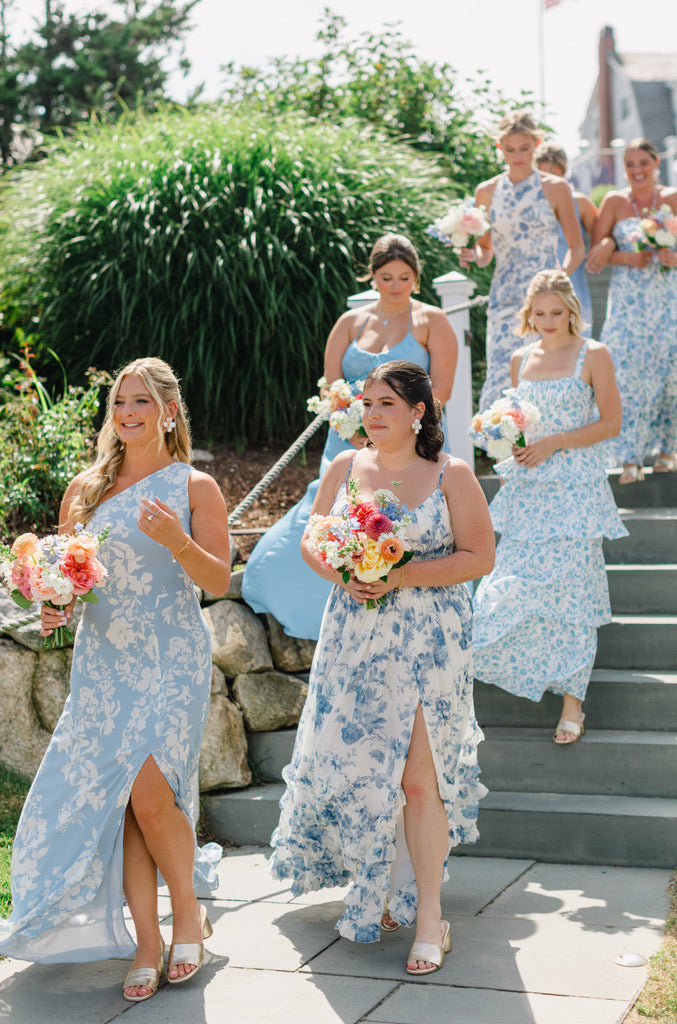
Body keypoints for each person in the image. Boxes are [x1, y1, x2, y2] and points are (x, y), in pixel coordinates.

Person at [0, 358, 231, 1002]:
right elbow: (71, 580)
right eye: (120, 403)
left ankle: (185, 919)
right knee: (128, 805)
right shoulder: (86, 489)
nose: (127, 413)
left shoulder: (194, 487)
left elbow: (216, 582)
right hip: (103, 661)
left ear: (168, 411)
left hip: (170, 656)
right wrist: (53, 603)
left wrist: (176, 540)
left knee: (153, 796)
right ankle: (148, 941)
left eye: (141, 402)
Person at [269, 360, 495, 976]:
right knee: (364, 773)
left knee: (419, 781)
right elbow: (314, 538)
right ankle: (377, 887)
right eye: (367, 403)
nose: (371, 414)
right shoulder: (345, 468)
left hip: (430, 644)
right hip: (355, 638)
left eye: (386, 403)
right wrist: (345, 570)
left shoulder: (452, 475)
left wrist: (396, 574)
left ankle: (429, 918)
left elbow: (480, 556)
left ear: (418, 412)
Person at [241, 233, 458, 639]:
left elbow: (440, 391)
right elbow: (331, 388)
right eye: (387, 276)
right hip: (346, 443)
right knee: (324, 523)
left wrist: (392, 434)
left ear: (417, 277)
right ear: (372, 277)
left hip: (409, 442)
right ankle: (318, 608)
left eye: (405, 277)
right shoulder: (349, 322)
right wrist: (354, 428)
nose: (396, 285)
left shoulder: (433, 322)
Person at [472, 270, 626, 744]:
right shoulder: (520, 359)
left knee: (575, 596)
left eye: (556, 312)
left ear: (571, 311)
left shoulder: (593, 353)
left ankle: (573, 704)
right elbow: (516, 422)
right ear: (528, 314)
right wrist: (512, 443)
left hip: (577, 490)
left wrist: (556, 442)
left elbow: (612, 423)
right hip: (528, 491)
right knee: (507, 586)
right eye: (539, 314)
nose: (547, 321)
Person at [459, 112, 585, 411]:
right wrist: (472, 255)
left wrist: (559, 281)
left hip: (549, 302)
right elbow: (486, 250)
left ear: (536, 144)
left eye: (524, 148)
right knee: (501, 381)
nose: (517, 156)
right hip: (505, 298)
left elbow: (577, 248)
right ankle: (506, 453)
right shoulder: (486, 192)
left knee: (549, 379)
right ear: (499, 148)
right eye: (510, 149)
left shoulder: (556, 188)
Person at [586, 138, 677, 484]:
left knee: (669, 375)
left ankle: (667, 451)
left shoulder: (674, 198)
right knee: (626, 374)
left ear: (656, 163)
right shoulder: (615, 201)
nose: (636, 170)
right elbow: (598, 253)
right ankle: (629, 457)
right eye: (630, 164)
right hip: (630, 301)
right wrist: (627, 257)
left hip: (671, 298)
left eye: (643, 163)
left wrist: (676, 256)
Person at [534, 141, 598, 335]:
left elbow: (603, 236)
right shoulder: (529, 206)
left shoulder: (580, 202)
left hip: (571, 286)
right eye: (543, 175)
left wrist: (605, 244)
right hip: (535, 285)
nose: (551, 182)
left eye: (556, 176)